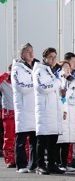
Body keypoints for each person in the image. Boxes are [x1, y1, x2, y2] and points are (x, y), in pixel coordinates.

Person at [33, 47, 65, 175]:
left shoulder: (53, 71)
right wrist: (57, 82)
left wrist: (61, 92)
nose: (53, 59)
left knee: (53, 139)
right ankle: (40, 165)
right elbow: (43, 88)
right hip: (44, 110)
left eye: (55, 57)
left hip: (54, 110)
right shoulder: (39, 71)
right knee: (42, 140)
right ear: (44, 58)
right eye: (50, 57)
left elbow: (54, 89)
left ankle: (52, 164)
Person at [12, 43, 38, 173]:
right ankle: (21, 165)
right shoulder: (17, 69)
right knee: (21, 139)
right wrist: (35, 85)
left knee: (35, 140)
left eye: (32, 51)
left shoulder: (34, 67)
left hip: (34, 109)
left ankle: (34, 164)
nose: (31, 54)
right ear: (22, 54)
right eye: (28, 51)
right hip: (23, 108)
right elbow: (21, 86)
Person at [55, 60, 75, 173]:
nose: (68, 69)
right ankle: (58, 163)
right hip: (62, 113)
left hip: (72, 114)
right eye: (65, 67)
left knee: (68, 141)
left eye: (69, 67)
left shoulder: (74, 81)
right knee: (60, 141)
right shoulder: (58, 80)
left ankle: (65, 163)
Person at [0, 64, 15, 168]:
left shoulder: (21, 81)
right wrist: (5, 75)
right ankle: (9, 160)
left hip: (21, 113)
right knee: (9, 138)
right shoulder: (4, 81)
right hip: (8, 113)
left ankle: (23, 159)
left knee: (24, 139)